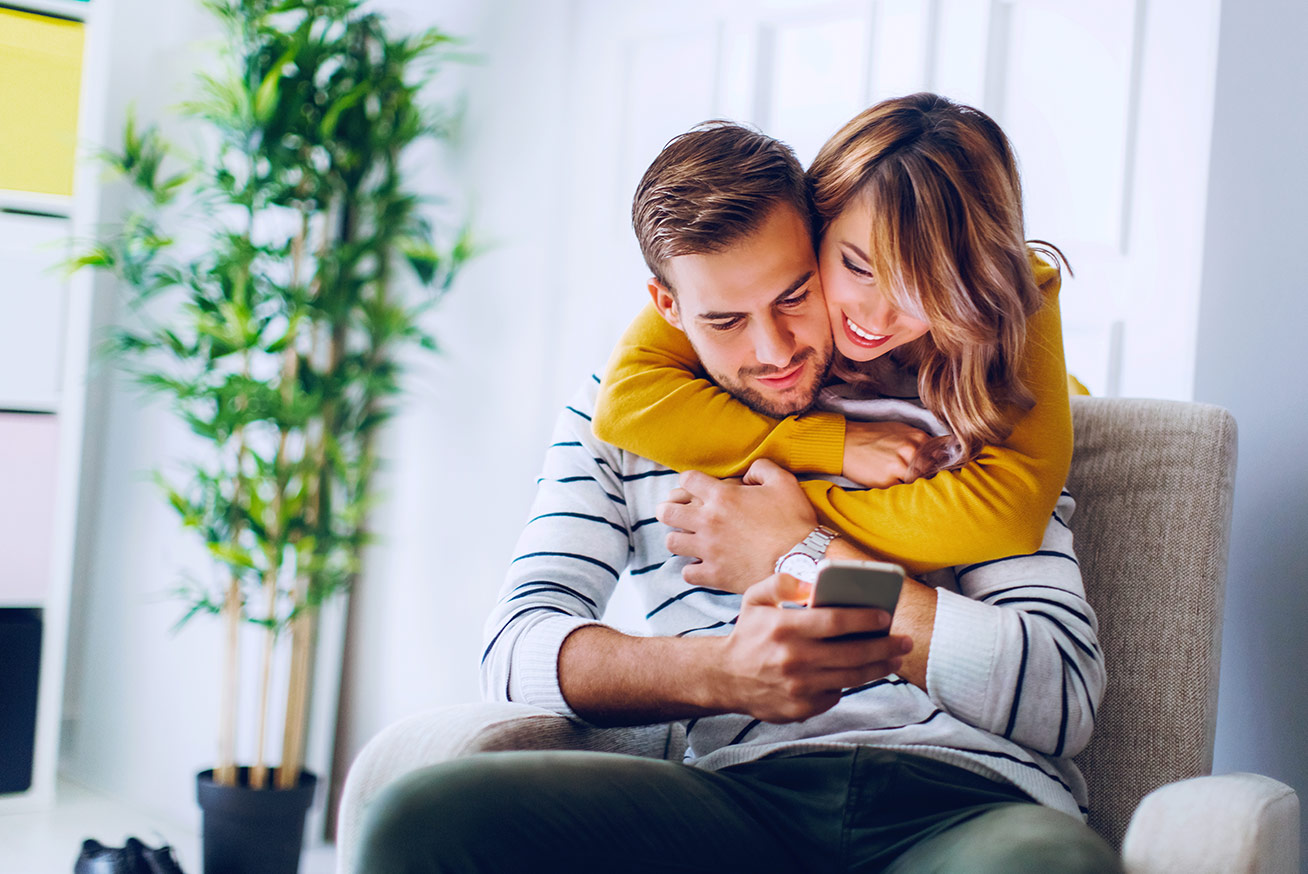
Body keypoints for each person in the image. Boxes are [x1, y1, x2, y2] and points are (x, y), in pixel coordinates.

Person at [354, 108, 1121, 873]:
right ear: (667, 308)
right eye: (724, 320)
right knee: (421, 820)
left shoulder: (966, 406)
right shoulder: (619, 420)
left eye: (794, 296)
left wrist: (803, 555)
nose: (775, 350)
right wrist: (724, 672)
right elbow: (515, 652)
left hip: (969, 800)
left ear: (814, 242)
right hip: (744, 802)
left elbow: (1060, 696)